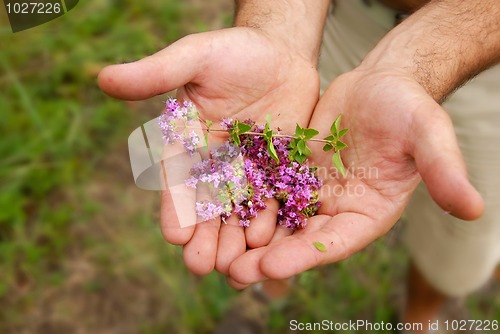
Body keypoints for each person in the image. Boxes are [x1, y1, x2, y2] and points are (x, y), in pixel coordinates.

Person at [98, 0, 500, 331]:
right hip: (338, 18)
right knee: (288, 220)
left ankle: (423, 316)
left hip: (483, 58)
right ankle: (269, 287)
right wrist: (276, 30)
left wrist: (411, 66)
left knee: (458, 234)